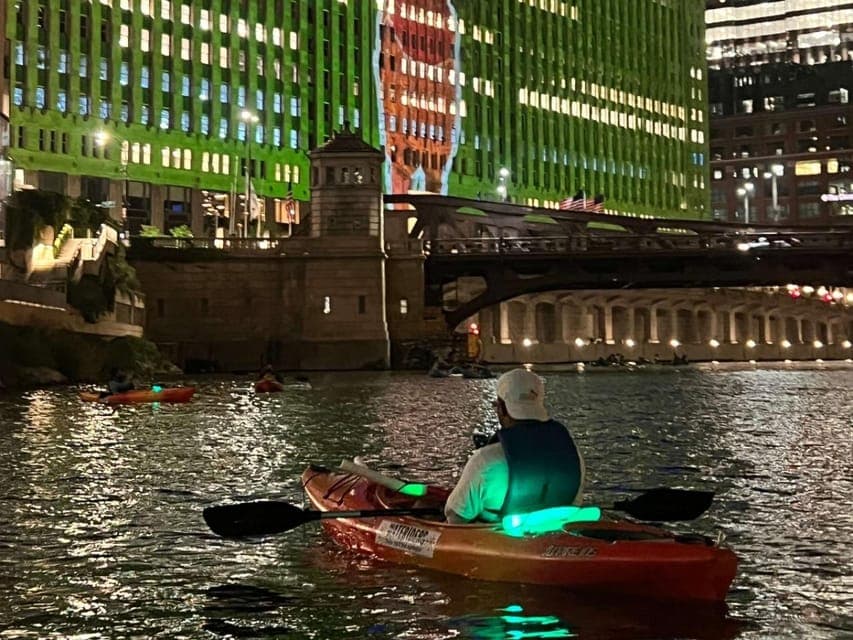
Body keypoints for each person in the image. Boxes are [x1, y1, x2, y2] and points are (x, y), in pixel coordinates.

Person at [444, 368, 585, 524]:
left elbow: (454, 517)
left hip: (498, 540)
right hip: (555, 532)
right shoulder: (573, 455)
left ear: (502, 408)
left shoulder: (486, 460)